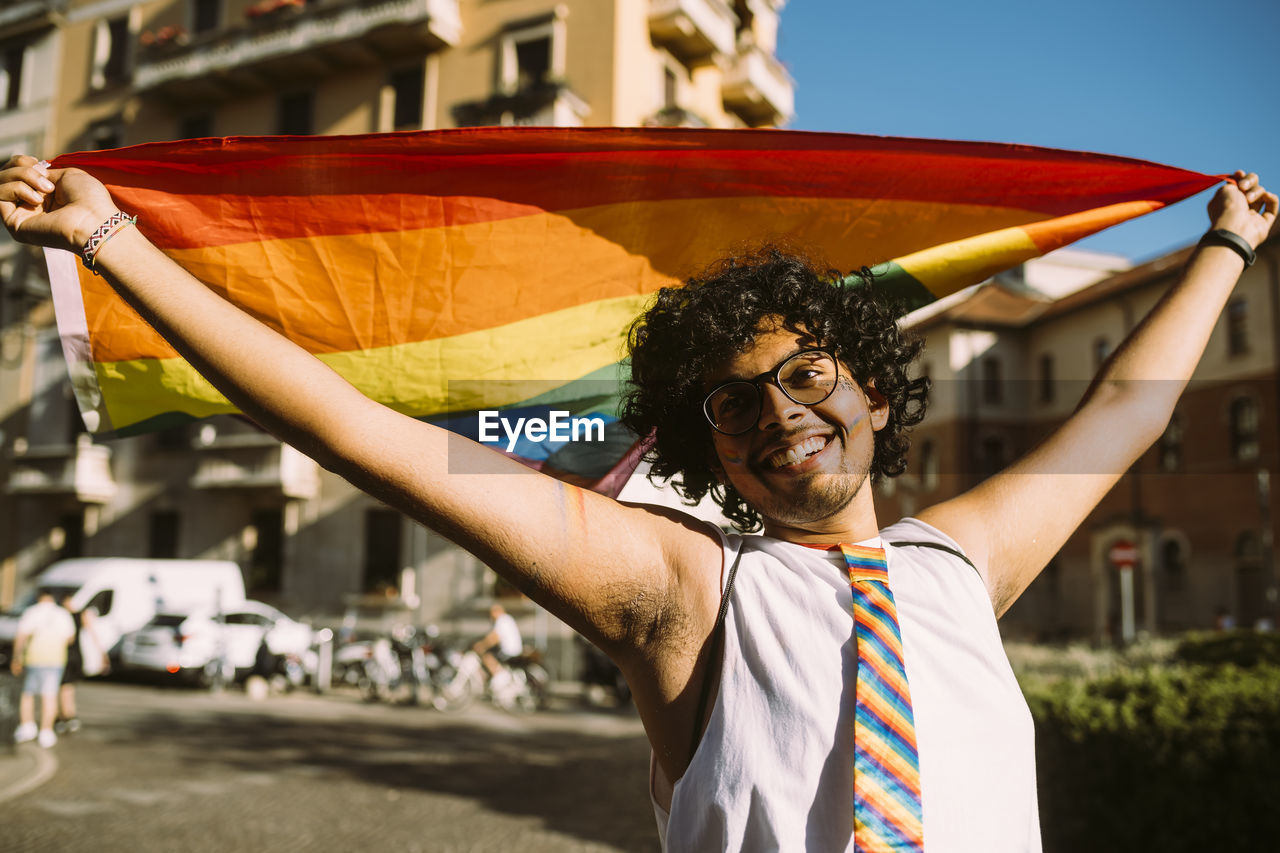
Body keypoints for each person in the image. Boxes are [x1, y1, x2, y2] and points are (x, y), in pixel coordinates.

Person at [0, 154, 1272, 850]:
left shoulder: (960, 562)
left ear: (875, 395)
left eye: (806, 373)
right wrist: (117, 247)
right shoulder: (678, 589)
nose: (777, 410)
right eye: (732, 403)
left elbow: (1124, 408)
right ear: (704, 447)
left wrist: (1221, 245)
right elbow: (355, 429)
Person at [10, 589, 76, 748]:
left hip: (33, 658)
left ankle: (27, 725)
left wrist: (16, 657)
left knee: (27, 694)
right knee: (50, 695)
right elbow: (70, 639)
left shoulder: (31, 612)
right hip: (55, 659)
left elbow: (21, 636)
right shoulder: (63, 614)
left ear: (39, 597)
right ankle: (46, 730)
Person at [55, 593, 109, 734]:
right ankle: (68, 716)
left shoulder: (60, 616)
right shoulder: (80, 615)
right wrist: (101, 653)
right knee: (67, 688)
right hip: (75, 654)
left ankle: (63, 717)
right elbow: (92, 633)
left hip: (64, 654)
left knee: (61, 687)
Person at [472, 603, 524, 684]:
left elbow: (494, 637)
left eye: (492, 613)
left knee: (487, 656)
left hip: (509, 650)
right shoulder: (508, 618)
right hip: (515, 649)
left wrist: (481, 645)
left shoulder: (502, 620)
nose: (491, 616)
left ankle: (499, 679)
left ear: (497, 611)